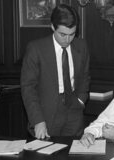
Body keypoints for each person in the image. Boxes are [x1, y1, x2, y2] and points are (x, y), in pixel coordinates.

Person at [21, 4, 90, 139]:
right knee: (45, 158)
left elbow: (85, 77)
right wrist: (38, 121)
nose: (67, 39)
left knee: (74, 156)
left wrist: (81, 100)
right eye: (62, 34)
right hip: (46, 112)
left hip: (74, 110)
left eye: (72, 34)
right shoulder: (36, 49)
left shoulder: (82, 46)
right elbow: (28, 88)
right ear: (52, 27)